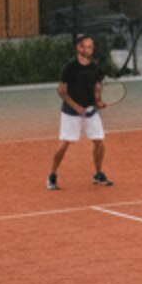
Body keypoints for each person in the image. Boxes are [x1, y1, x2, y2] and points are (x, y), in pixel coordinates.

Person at [47, 34, 113, 191]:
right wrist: (76, 107)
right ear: (79, 48)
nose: (90, 49)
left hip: (91, 111)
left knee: (99, 141)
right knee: (65, 143)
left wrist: (98, 100)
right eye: (87, 46)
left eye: (91, 46)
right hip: (71, 112)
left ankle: (98, 173)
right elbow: (61, 91)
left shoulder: (96, 66)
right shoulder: (70, 67)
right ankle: (52, 175)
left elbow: (97, 85)